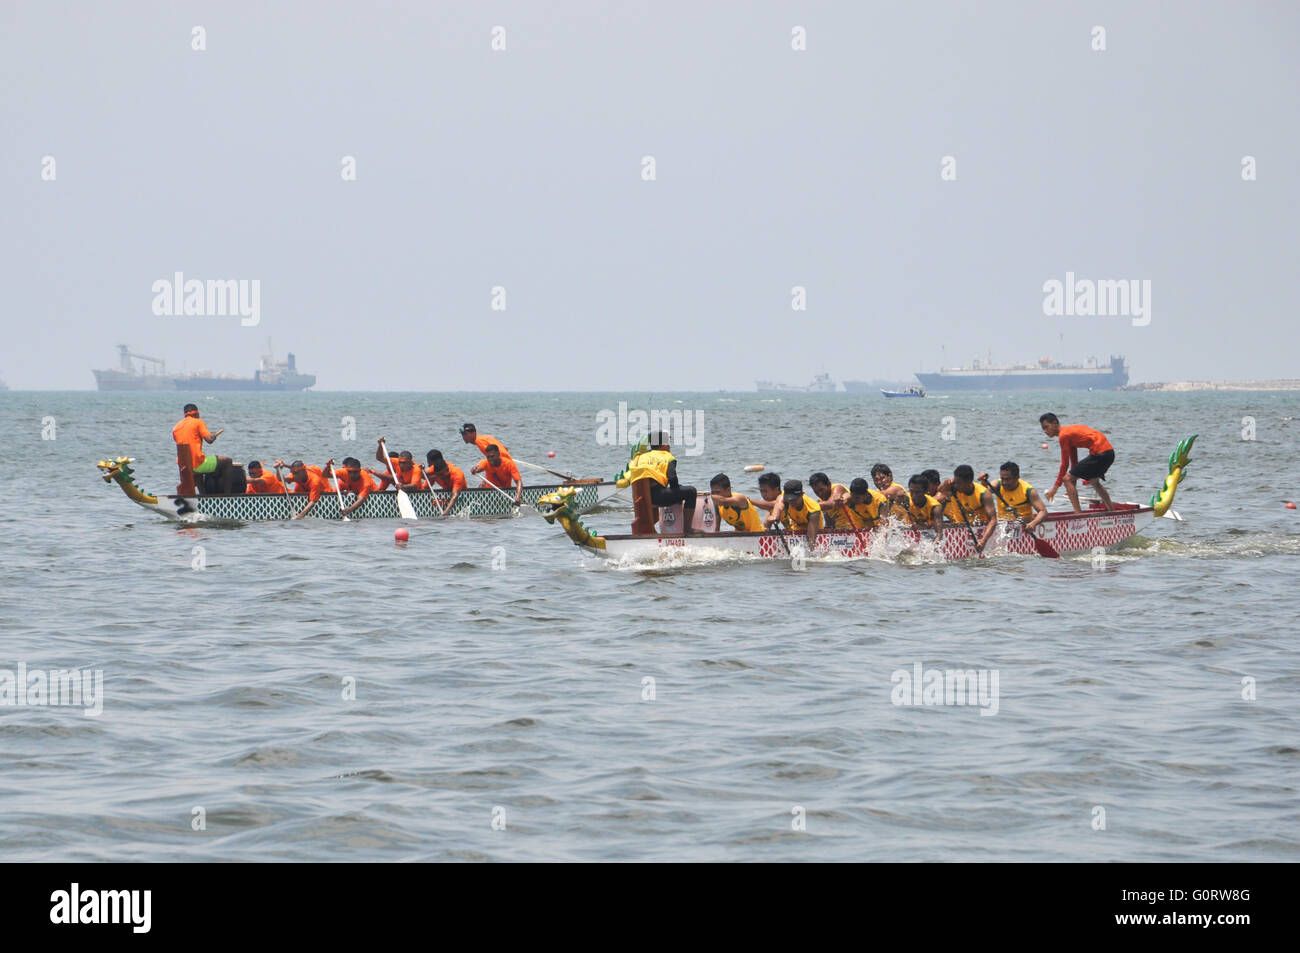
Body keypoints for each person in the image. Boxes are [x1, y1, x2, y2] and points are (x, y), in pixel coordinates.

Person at [621, 434, 698, 535]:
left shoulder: (639, 458)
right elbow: (672, 477)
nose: (669, 447)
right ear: (664, 445)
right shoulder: (668, 456)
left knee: (676, 491)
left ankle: (647, 532)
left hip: (640, 498)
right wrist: (678, 493)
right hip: (658, 497)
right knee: (691, 491)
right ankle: (688, 530)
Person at [1039, 413, 1116, 512]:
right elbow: (1074, 464)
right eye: (1043, 429)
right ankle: (1111, 511)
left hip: (1100, 452)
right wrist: (1072, 486)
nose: (1045, 431)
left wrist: (1055, 489)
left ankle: (1078, 514)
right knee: (1094, 481)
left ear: (1055, 423)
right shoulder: (1068, 434)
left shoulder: (1063, 435)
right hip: (1109, 453)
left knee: (1066, 479)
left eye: (1046, 427)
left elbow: (1064, 464)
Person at [171, 403, 232, 494]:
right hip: (196, 463)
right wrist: (213, 436)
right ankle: (228, 496)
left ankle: (203, 495)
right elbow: (209, 440)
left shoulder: (176, 427)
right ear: (196, 413)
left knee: (198, 470)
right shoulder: (198, 422)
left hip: (183, 465)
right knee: (227, 461)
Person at [940, 465, 998, 553]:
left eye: (959, 483)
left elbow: (993, 519)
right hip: (959, 529)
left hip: (979, 530)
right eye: (955, 482)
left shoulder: (984, 494)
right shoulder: (953, 488)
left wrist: (983, 541)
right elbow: (940, 490)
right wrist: (945, 483)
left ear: (969, 482)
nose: (956, 486)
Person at [979, 461, 1047, 533]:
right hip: (1003, 525)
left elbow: (1043, 512)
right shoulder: (997, 485)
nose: (1004, 483)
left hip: (1023, 527)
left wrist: (1033, 524)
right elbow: (985, 492)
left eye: (1007, 479)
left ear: (1017, 477)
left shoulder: (1028, 491)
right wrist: (983, 482)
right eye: (1002, 479)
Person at [768, 478, 823, 547]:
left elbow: (811, 539)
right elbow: (779, 505)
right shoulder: (782, 498)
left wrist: (810, 552)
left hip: (816, 533)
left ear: (802, 494)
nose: (791, 502)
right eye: (789, 499)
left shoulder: (813, 509)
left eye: (794, 499)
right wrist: (775, 516)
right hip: (796, 532)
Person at [900, 474, 944, 540]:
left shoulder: (935, 507)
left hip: (929, 534)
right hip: (908, 534)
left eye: (917, 492)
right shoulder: (905, 500)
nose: (914, 495)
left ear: (926, 491)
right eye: (911, 491)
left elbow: (939, 534)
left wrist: (933, 547)